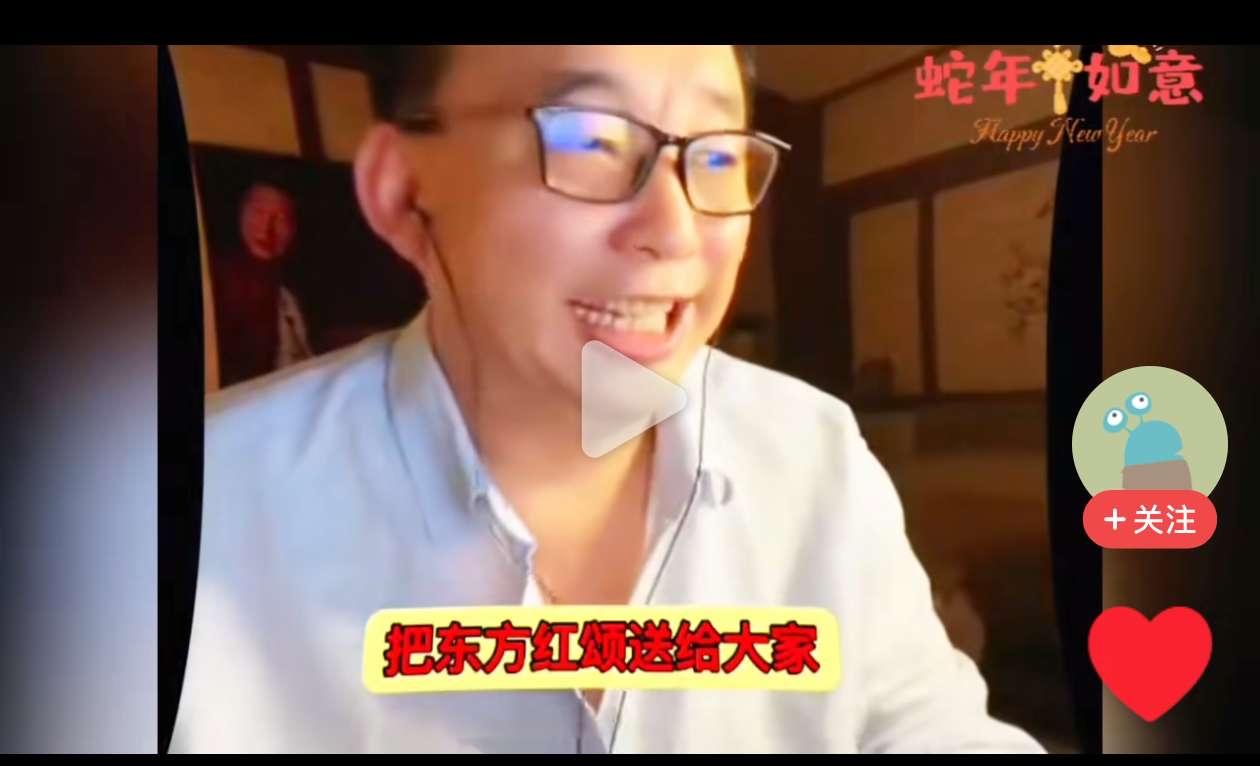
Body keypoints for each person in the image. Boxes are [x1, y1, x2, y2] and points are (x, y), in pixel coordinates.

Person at [172, 45, 1047, 753]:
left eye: (716, 156)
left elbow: (924, 726)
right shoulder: (187, 506)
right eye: (591, 139)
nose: (675, 232)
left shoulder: (812, 448)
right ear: (404, 191)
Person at [209, 181, 313, 386]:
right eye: (258, 212)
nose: (267, 228)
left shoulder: (290, 290)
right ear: (240, 215)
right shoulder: (217, 280)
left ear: (293, 229)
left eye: (281, 218)